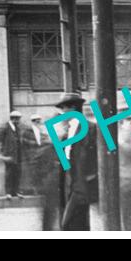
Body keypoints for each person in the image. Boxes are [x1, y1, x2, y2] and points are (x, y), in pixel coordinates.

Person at [53, 93, 96, 231]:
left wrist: (91, 175)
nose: (62, 113)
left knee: (67, 223)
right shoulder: (67, 131)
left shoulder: (91, 128)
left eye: (64, 108)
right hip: (67, 181)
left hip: (81, 182)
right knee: (78, 222)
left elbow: (97, 154)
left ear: (73, 108)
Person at [0, 110, 25, 198]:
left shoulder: (17, 128)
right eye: (18, 119)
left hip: (17, 155)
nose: (19, 121)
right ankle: (8, 192)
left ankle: (15, 192)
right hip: (9, 155)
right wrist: (3, 154)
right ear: (14, 119)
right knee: (9, 174)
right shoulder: (5, 128)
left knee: (17, 173)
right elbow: (0, 142)